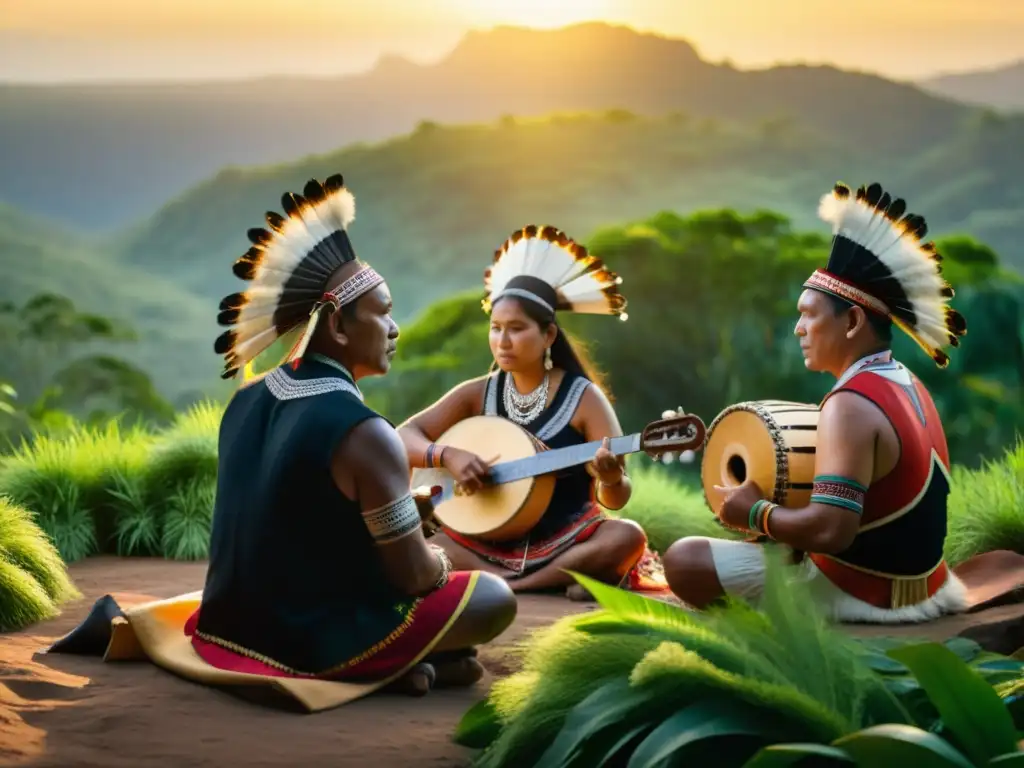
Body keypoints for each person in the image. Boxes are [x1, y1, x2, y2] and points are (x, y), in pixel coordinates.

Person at [190, 173, 517, 697]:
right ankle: (384, 666)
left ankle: (413, 669)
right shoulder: (366, 433)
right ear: (339, 327)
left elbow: (297, 520)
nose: (395, 329)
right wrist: (437, 556)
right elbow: (413, 578)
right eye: (383, 313)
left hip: (227, 628)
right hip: (308, 641)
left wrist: (401, 510)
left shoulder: (246, 400)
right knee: (491, 598)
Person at [663, 181, 970, 624]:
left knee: (685, 558)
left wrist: (754, 513)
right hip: (927, 585)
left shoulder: (849, 404)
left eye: (809, 314)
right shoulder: (906, 382)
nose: (798, 329)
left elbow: (832, 530)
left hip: (863, 595)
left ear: (853, 320)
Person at [398, 224, 661, 600]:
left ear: (549, 335)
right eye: (496, 328)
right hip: (481, 540)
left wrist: (612, 478)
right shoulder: (477, 393)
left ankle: (515, 585)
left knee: (626, 536)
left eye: (516, 329)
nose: (502, 342)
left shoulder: (582, 397)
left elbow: (616, 500)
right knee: (418, 537)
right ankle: (563, 581)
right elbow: (403, 435)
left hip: (565, 539)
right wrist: (448, 455)